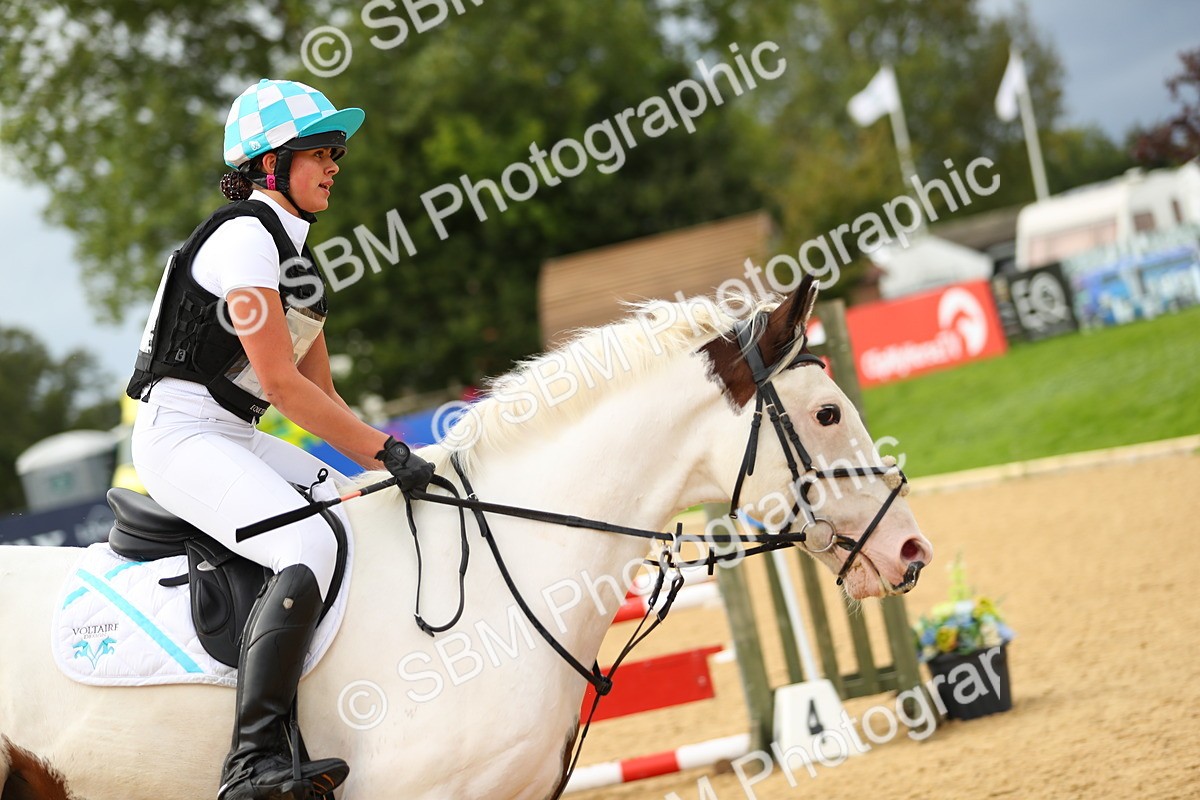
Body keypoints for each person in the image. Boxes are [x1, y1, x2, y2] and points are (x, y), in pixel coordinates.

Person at [127, 78, 433, 800]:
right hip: (180, 437)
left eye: (338, 154)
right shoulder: (242, 240)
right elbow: (286, 386)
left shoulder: (296, 263)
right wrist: (388, 452)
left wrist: (388, 462)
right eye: (321, 152)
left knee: (346, 510)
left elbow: (324, 396)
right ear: (271, 166)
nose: (335, 165)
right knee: (306, 544)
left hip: (231, 433)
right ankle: (253, 758)